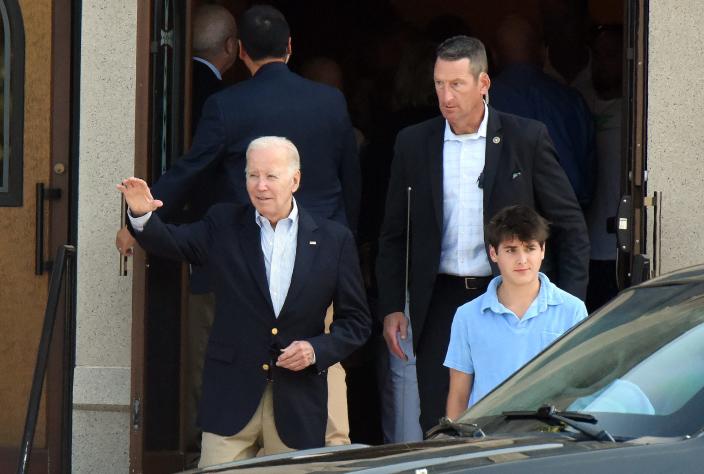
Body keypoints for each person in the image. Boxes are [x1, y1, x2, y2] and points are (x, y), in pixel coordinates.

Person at [115, 3, 360, 450]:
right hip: (320, 259)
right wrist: (346, 244)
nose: (263, 183)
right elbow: (351, 180)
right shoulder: (330, 101)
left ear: (241, 52)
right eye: (256, 176)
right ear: (290, 47)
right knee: (325, 363)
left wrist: (138, 218)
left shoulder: (226, 103)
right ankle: (328, 451)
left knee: (240, 348)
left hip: (249, 260)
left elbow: (191, 169)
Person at [376, 35, 589, 433]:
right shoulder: (413, 142)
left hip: (513, 297)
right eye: (439, 83)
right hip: (440, 299)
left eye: (457, 84)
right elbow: (393, 232)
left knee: (518, 415)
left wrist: (570, 305)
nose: (446, 95)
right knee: (441, 421)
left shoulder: (525, 138)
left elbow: (571, 225)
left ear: (484, 84)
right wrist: (391, 304)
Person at [117, 137, 371, 466]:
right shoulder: (223, 223)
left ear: (295, 180)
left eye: (271, 176)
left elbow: (357, 322)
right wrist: (140, 216)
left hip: (297, 400)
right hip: (231, 395)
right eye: (253, 176)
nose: (260, 186)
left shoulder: (333, 239)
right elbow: (172, 243)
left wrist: (316, 350)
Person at [444, 205, 587, 419]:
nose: (522, 260)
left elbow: (580, 387)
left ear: (543, 251)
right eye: (511, 250)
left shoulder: (572, 310)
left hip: (551, 439)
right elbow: (458, 394)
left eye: (530, 248)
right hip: (485, 440)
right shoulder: (467, 316)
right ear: (494, 253)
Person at [490, 15, 596, 208]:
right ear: (544, 52)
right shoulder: (573, 102)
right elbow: (586, 186)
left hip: (498, 228)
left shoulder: (476, 103)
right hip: (561, 226)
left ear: (494, 55)